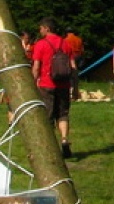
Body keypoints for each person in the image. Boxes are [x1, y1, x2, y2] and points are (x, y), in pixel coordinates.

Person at [28, 18, 73, 158]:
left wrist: (33, 82)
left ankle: (51, 148)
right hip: (64, 84)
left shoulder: (40, 44)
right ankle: (64, 140)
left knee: (47, 116)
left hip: (47, 84)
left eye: (41, 28)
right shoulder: (65, 44)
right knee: (63, 114)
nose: (40, 31)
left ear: (47, 28)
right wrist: (75, 86)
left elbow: (36, 67)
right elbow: (73, 67)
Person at [63, 29, 84, 99]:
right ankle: (75, 92)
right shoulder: (79, 39)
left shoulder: (66, 40)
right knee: (75, 75)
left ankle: (71, 92)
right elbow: (82, 50)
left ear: (67, 32)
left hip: (70, 57)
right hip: (78, 56)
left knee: (69, 75)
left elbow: (65, 50)